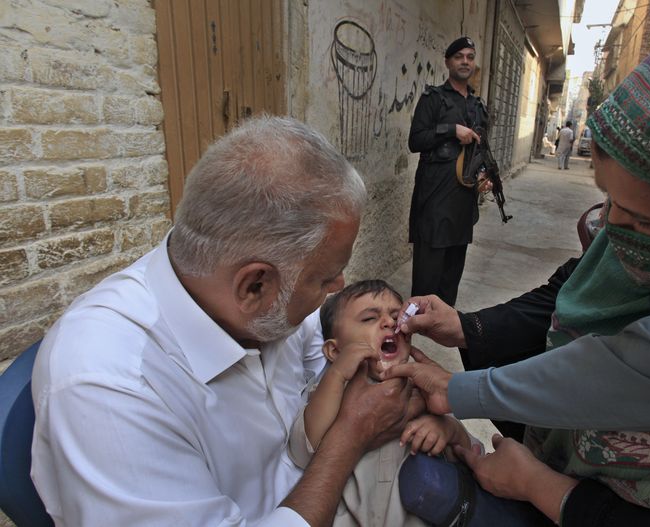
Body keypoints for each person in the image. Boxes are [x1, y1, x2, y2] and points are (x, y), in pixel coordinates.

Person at [387, 24, 650, 526]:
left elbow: (633, 370)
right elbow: (566, 292)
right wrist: (467, 329)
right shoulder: (626, 238)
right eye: (608, 201)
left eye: (645, 219)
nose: (613, 231)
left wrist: (542, 487)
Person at [30, 116, 418, 526]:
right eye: (323, 278)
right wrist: (349, 438)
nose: (338, 285)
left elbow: (318, 355)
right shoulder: (109, 389)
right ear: (254, 287)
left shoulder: (257, 299)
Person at [288, 280, 476, 527]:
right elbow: (303, 451)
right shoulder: (331, 394)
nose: (388, 323)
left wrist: (448, 430)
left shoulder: (423, 393)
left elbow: (471, 453)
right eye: (369, 319)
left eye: (397, 317)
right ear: (334, 351)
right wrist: (336, 375)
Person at [408, 36, 489, 307]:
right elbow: (415, 140)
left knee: (453, 268)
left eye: (469, 57)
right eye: (459, 57)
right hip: (435, 196)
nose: (465, 61)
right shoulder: (434, 99)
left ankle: (442, 318)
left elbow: (482, 148)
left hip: (464, 199)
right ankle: (417, 321)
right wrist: (452, 131)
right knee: (428, 268)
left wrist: (483, 176)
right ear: (448, 62)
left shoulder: (478, 106)